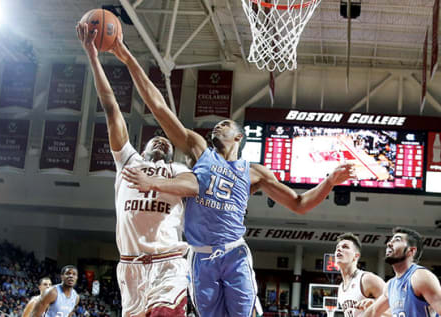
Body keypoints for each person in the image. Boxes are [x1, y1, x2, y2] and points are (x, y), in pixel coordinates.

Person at [102, 24, 354, 316]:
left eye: (227, 123)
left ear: (239, 137)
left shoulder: (254, 172)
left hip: (233, 253)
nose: (220, 124)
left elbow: (300, 204)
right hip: (200, 258)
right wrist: (125, 56)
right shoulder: (199, 150)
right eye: (217, 124)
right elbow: (158, 106)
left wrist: (330, 180)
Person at [77, 23, 198, 317]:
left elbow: (193, 188)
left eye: (165, 140)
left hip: (168, 261)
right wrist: (93, 55)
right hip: (129, 267)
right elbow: (110, 107)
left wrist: (150, 183)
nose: (160, 139)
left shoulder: (180, 168)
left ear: (171, 151)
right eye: (154, 139)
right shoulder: (128, 161)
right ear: (142, 149)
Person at [363, 227, 441, 317]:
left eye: (397, 240)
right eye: (390, 240)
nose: (389, 244)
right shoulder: (390, 285)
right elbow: (373, 312)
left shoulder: (419, 277)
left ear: (411, 250)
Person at [334, 233, 387, 317]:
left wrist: (375, 306)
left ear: (356, 256)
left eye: (345, 247)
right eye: (337, 248)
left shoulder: (367, 279)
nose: (339, 249)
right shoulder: (341, 288)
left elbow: (398, 307)